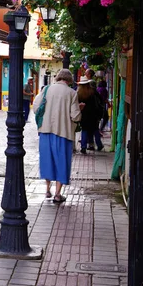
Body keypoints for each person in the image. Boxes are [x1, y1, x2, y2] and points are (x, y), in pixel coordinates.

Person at [33, 69, 83, 203]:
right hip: (63, 132)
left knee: (47, 160)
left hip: (46, 130)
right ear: (69, 80)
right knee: (62, 162)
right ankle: (57, 194)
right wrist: (80, 109)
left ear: (58, 77)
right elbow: (75, 116)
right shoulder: (72, 93)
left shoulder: (46, 89)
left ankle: (47, 190)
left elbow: (36, 107)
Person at [77, 75, 104, 153]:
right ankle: (99, 145)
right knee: (95, 130)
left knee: (84, 130)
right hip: (93, 114)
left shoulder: (79, 93)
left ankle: (83, 147)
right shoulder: (92, 92)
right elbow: (98, 103)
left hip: (84, 115)